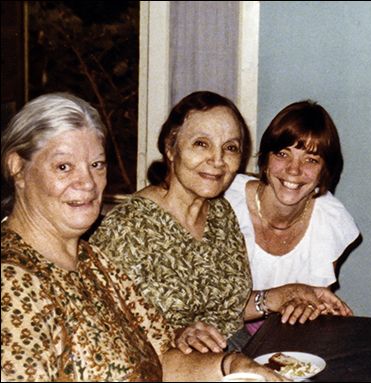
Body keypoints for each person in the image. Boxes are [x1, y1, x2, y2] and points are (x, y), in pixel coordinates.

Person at [0, 93, 283, 381]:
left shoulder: (92, 261)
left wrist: (232, 366)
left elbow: (162, 355)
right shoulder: (13, 284)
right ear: (17, 168)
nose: (87, 183)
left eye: (97, 165)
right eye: (64, 166)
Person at [90, 91, 352, 355]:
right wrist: (172, 335)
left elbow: (226, 310)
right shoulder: (127, 228)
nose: (217, 161)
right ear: (171, 148)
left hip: (235, 355)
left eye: (230, 148)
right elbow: (102, 330)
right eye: (201, 144)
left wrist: (288, 293)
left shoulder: (220, 213)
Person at [224, 100, 360, 334]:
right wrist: (280, 296)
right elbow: (206, 305)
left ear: (324, 172)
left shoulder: (329, 221)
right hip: (221, 335)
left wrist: (314, 308)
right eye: (282, 154)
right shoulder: (226, 201)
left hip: (282, 337)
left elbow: (306, 308)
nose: (294, 170)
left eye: (311, 160)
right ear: (265, 160)